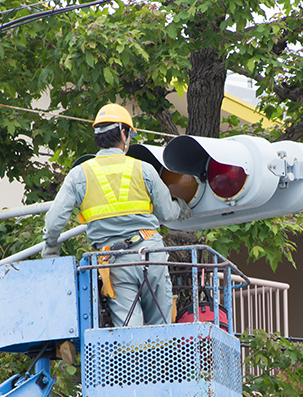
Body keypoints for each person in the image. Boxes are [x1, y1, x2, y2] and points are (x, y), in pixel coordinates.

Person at [42, 103, 191, 327]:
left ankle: (133, 359)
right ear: (124, 133)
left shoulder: (78, 175)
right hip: (152, 253)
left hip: (115, 261)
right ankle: (159, 361)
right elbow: (167, 213)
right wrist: (182, 208)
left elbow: (54, 221)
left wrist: (51, 247)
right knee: (161, 327)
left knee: (130, 333)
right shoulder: (143, 169)